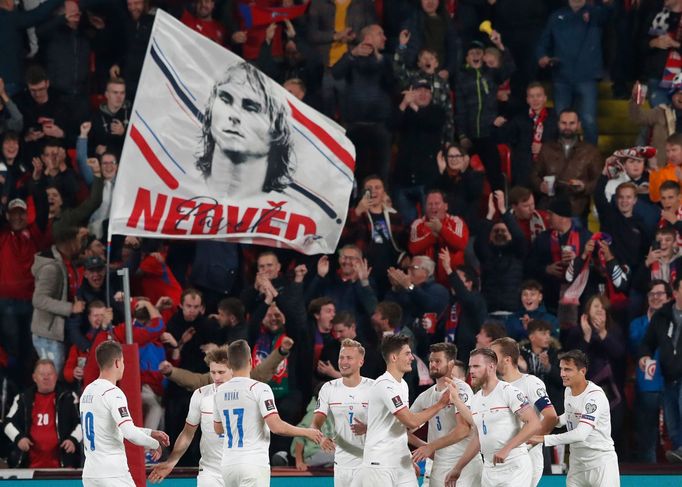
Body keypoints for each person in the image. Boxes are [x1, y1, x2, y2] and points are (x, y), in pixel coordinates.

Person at [212, 339, 324, 486]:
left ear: (230, 363)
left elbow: (218, 429)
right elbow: (276, 427)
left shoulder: (219, 392)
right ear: (251, 360)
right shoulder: (259, 388)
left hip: (228, 465)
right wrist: (306, 432)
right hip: (253, 464)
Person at [359, 334, 450, 487]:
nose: (412, 358)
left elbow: (400, 429)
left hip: (401, 461)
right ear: (394, 358)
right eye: (407, 353)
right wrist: (440, 404)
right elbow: (410, 420)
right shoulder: (385, 385)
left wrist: (407, 456)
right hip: (380, 463)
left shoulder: (402, 385)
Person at [444, 348, 540, 487]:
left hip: (514, 467)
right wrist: (457, 468)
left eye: (476, 366)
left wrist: (507, 448)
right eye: (470, 366)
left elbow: (534, 423)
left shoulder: (508, 391)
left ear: (491, 367)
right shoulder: (476, 399)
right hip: (489, 469)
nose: (471, 371)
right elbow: (478, 438)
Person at [196, 62, 294, 199]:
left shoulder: (295, 213)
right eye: (225, 99)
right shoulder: (178, 183)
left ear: (277, 128)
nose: (234, 115)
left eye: (251, 108)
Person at [80, 340, 169, 487]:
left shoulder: (87, 391)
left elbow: (110, 429)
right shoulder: (113, 393)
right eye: (123, 361)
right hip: (113, 473)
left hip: (91, 474)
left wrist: (149, 433)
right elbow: (129, 433)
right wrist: (154, 444)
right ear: (117, 363)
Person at [529, 350, 620, 487]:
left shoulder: (594, 397)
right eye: (561, 369)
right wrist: (553, 421)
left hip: (601, 464)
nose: (562, 374)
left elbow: (580, 434)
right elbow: (570, 415)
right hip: (577, 465)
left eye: (567, 369)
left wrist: (543, 439)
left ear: (582, 371)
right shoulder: (568, 390)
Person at [149, 347, 232, 486]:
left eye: (221, 372)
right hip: (210, 471)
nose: (216, 377)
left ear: (233, 370)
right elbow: (187, 434)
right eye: (213, 372)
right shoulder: (201, 395)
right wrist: (171, 462)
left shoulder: (249, 394)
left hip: (239, 469)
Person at [409, 343, 482, 487]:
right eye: (431, 361)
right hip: (438, 465)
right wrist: (424, 448)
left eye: (437, 361)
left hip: (465, 466)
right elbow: (405, 428)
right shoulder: (426, 396)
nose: (432, 365)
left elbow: (464, 429)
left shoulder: (460, 388)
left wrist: (431, 447)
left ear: (451, 363)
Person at [490, 337, 558, 487]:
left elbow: (551, 416)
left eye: (493, 355)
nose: (489, 360)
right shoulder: (495, 387)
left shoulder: (530, 383)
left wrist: (534, 439)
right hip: (501, 459)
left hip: (527, 459)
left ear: (507, 360)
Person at [312, 338, 374, 486]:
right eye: (341, 357)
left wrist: (368, 428)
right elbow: (314, 424)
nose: (344, 362)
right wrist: (320, 439)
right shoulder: (328, 388)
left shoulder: (374, 387)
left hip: (369, 464)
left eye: (349, 358)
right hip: (341, 465)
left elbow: (388, 425)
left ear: (361, 362)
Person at [2, 359, 81, 468]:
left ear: (56, 376)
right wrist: (18, 438)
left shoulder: (69, 397)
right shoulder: (23, 399)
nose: (46, 377)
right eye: (42, 374)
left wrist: (73, 439)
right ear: (34, 377)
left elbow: (82, 422)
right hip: (29, 467)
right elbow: (7, 423)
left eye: (49, 374)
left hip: (63, 466)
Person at [639, 274, 682, 463]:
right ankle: (679, 454)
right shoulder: (662, 316)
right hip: (669, 376)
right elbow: (647, 342)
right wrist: (644, 356)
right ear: (676, 292)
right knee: (673, 422)